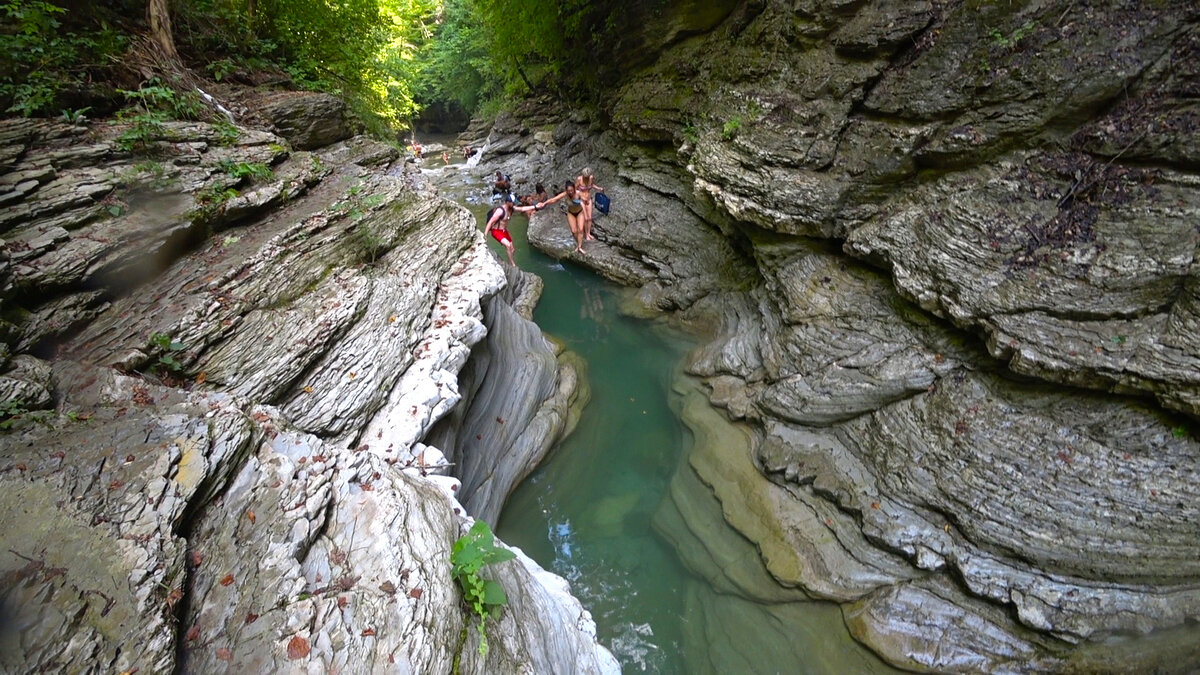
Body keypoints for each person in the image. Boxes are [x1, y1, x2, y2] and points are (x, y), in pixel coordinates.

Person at [537, 180, 587, 255]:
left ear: (574, 189)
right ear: (566, 190)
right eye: (568, 190)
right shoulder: (565, 194)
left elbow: (585, 201)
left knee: (580, 229)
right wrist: (544, 203)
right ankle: (578, 243)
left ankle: (579, 247)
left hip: (580, 212)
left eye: (571, 190)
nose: (570, 192)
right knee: (574, 231)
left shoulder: (578, 194)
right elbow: (554, 199)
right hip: (571, 213)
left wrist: (583, 203)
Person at [484, 195, 536, 266]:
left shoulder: (511, 208)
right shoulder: (500, 210)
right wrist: (485, 234)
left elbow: (522, 209)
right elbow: (490, 222)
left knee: (512, 249)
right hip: (496, 231)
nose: (514, 204)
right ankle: (512, 264)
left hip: (504, 231)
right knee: (508, 245)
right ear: (508, 202)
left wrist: (535, 207)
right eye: (512, 203)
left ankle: (509, 262)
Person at [575, 167, 603, 243]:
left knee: (590, 218)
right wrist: (580, 196)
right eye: (585, 177)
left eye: (587, 177)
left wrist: (598, 188)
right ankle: (585, 234)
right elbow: (575, 190)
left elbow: (592, 185)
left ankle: (588, 233)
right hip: (581, 199)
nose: (586, 178)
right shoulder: (579, 179)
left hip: (588, 198)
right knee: (586, 218)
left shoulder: (591, 178)